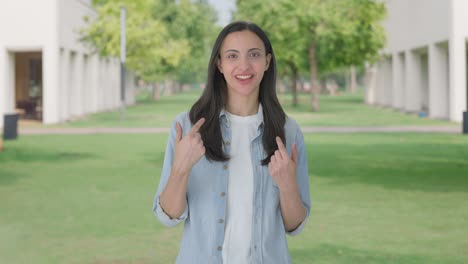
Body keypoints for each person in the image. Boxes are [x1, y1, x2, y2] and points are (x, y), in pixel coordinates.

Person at [153, 21, 311, 264]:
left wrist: (288, 184)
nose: (244, 66)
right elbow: (168, 216)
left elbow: (295, 225)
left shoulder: (288, 131)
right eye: (232, 56)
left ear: (267, 62)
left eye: (254, 55)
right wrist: (180, 169)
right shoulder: (187, 127)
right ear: (219, 64)